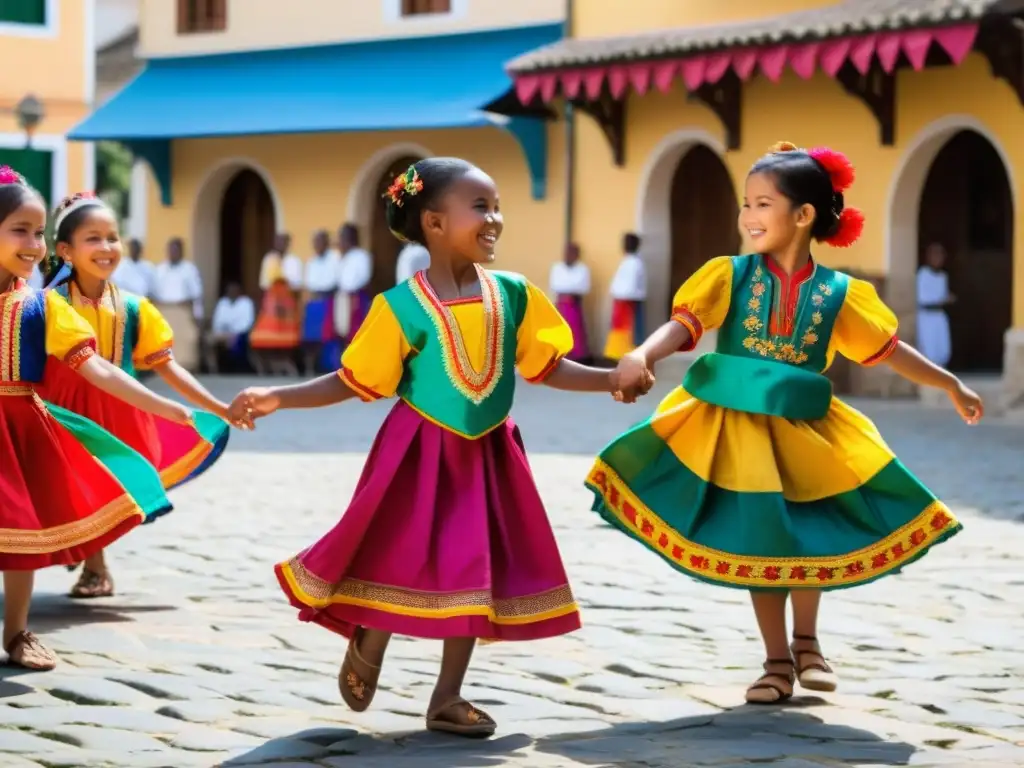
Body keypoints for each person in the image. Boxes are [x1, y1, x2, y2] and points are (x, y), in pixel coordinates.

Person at [228, 158, 647, 737]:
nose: (495, 218)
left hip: (490, 457)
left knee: (476, 566)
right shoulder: (399, 307)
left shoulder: (516, 295)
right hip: (417, 455)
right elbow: (353, 381)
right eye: (480, 207)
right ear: (432, 222)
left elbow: (548, 367)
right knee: (396, 551)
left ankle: (447, 697)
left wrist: (611, 379)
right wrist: (280, 395)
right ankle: (370, 636)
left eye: (497, 205)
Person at [593, 141, 983, 706]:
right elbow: (685, 323)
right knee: (764, 536)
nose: (748, 216)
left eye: (762, 204)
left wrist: (949, 383)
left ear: (802, 216)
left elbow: (889, 349)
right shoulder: (728, 275)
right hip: (739, 429)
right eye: (745, 205)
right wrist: (643, 355)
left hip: (806, 429)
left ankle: (808, 643)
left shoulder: (841, 293)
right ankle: (776, 658)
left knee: (809, 529)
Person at [0, 167, 189, 669]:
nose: (34, 243)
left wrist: (162, 405)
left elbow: (99, 368)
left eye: (39, 232)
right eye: (20, 229)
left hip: (20, 428)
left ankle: (17, 631)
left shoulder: (41, 307)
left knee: (23, 532)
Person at [38, 192, 236, 599]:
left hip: (118, 416)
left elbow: (167, 365)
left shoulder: (133, 308)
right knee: (68, 493)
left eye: (113, 237)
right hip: (62, 415)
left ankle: (95, 568)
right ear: (66, 251)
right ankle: (82, 552)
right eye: (93, 238)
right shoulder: (45, 306)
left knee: (101, 493)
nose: (107, 247)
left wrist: (216, 406)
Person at [250, 233, 301, 375]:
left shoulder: (293, 261)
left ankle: (286, 365)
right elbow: (264, 283)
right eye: (278, 242)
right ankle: (268, 365)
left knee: (287, 340)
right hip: (271, 302)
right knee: (259, 337)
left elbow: (296, 284)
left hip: (287, 301)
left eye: (284, 242)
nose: (280, 245)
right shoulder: (269, 259)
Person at [152, 238, 203, 371]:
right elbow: (154, 292)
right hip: (164, 310)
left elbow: (196, 295)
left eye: (176, 250)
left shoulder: (189, 269)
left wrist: (198, 315)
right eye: (170, 250)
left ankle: (186, 369)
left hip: (182, 310)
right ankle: (165, 368)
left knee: (186, 341)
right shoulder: (160, 269)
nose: (173, 253)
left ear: (181, 251)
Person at [301, 229, 340, 374]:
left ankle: (331, 369)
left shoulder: (335, 258)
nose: (316, 245)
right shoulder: (311, 261)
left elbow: (335, 281)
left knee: (329, 335)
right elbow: (309, 283)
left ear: (326, 242)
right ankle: (310, 368)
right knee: (310, 337)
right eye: (315, 242)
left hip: (329, 299)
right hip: (314, 301)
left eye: (319, 241)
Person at [603, 232, 646, 360]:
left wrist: (621, 297)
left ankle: (627, 354)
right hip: (621, 301)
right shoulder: (627, 261)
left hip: (628, 302)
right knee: (620, 328)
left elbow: (630, 286)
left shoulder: (635, 263)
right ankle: (618, 353)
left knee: (630, 330)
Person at [549, 242, 591, 361]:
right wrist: (568, 290)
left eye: (572, 253)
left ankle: (577, 357)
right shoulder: (557, 268)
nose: (568, 255)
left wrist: (569, 291)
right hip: (560, 305)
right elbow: (555, 285)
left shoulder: (582, 269)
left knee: (576, 333)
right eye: (567, 252)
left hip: (574, 305)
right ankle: (560, 355)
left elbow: (583, 288)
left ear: (577, 255)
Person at [916, 243, 955, 367]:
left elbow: (943, 295)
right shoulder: (922, 274)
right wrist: (942, 299)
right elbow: (922, 298)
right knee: (928, 349)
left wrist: (947, 298)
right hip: (926, 316)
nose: (938, 259)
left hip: (939, 316)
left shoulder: (943, 276)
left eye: (940, 256)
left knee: (943, 349)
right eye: (935, 256)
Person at [334, 223, 372, 346]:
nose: (340, 242)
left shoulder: (361, 256)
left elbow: (362, 279)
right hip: (343, 297)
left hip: (356, 298)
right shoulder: (344, 257)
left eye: (342, 238)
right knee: (342, 332)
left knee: (355, 334)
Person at [205, 281, 255, 373]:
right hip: (222, 332)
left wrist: (233, 332)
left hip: (240, 332)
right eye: (230, 291)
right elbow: (218, 321)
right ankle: (213, 368)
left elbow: (247, 323)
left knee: (235, 341)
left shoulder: (246, 303)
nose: (232, 292)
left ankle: (235, 369)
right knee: (208, 340)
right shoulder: (223, 302)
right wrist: (222, 331)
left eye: (234, 290)